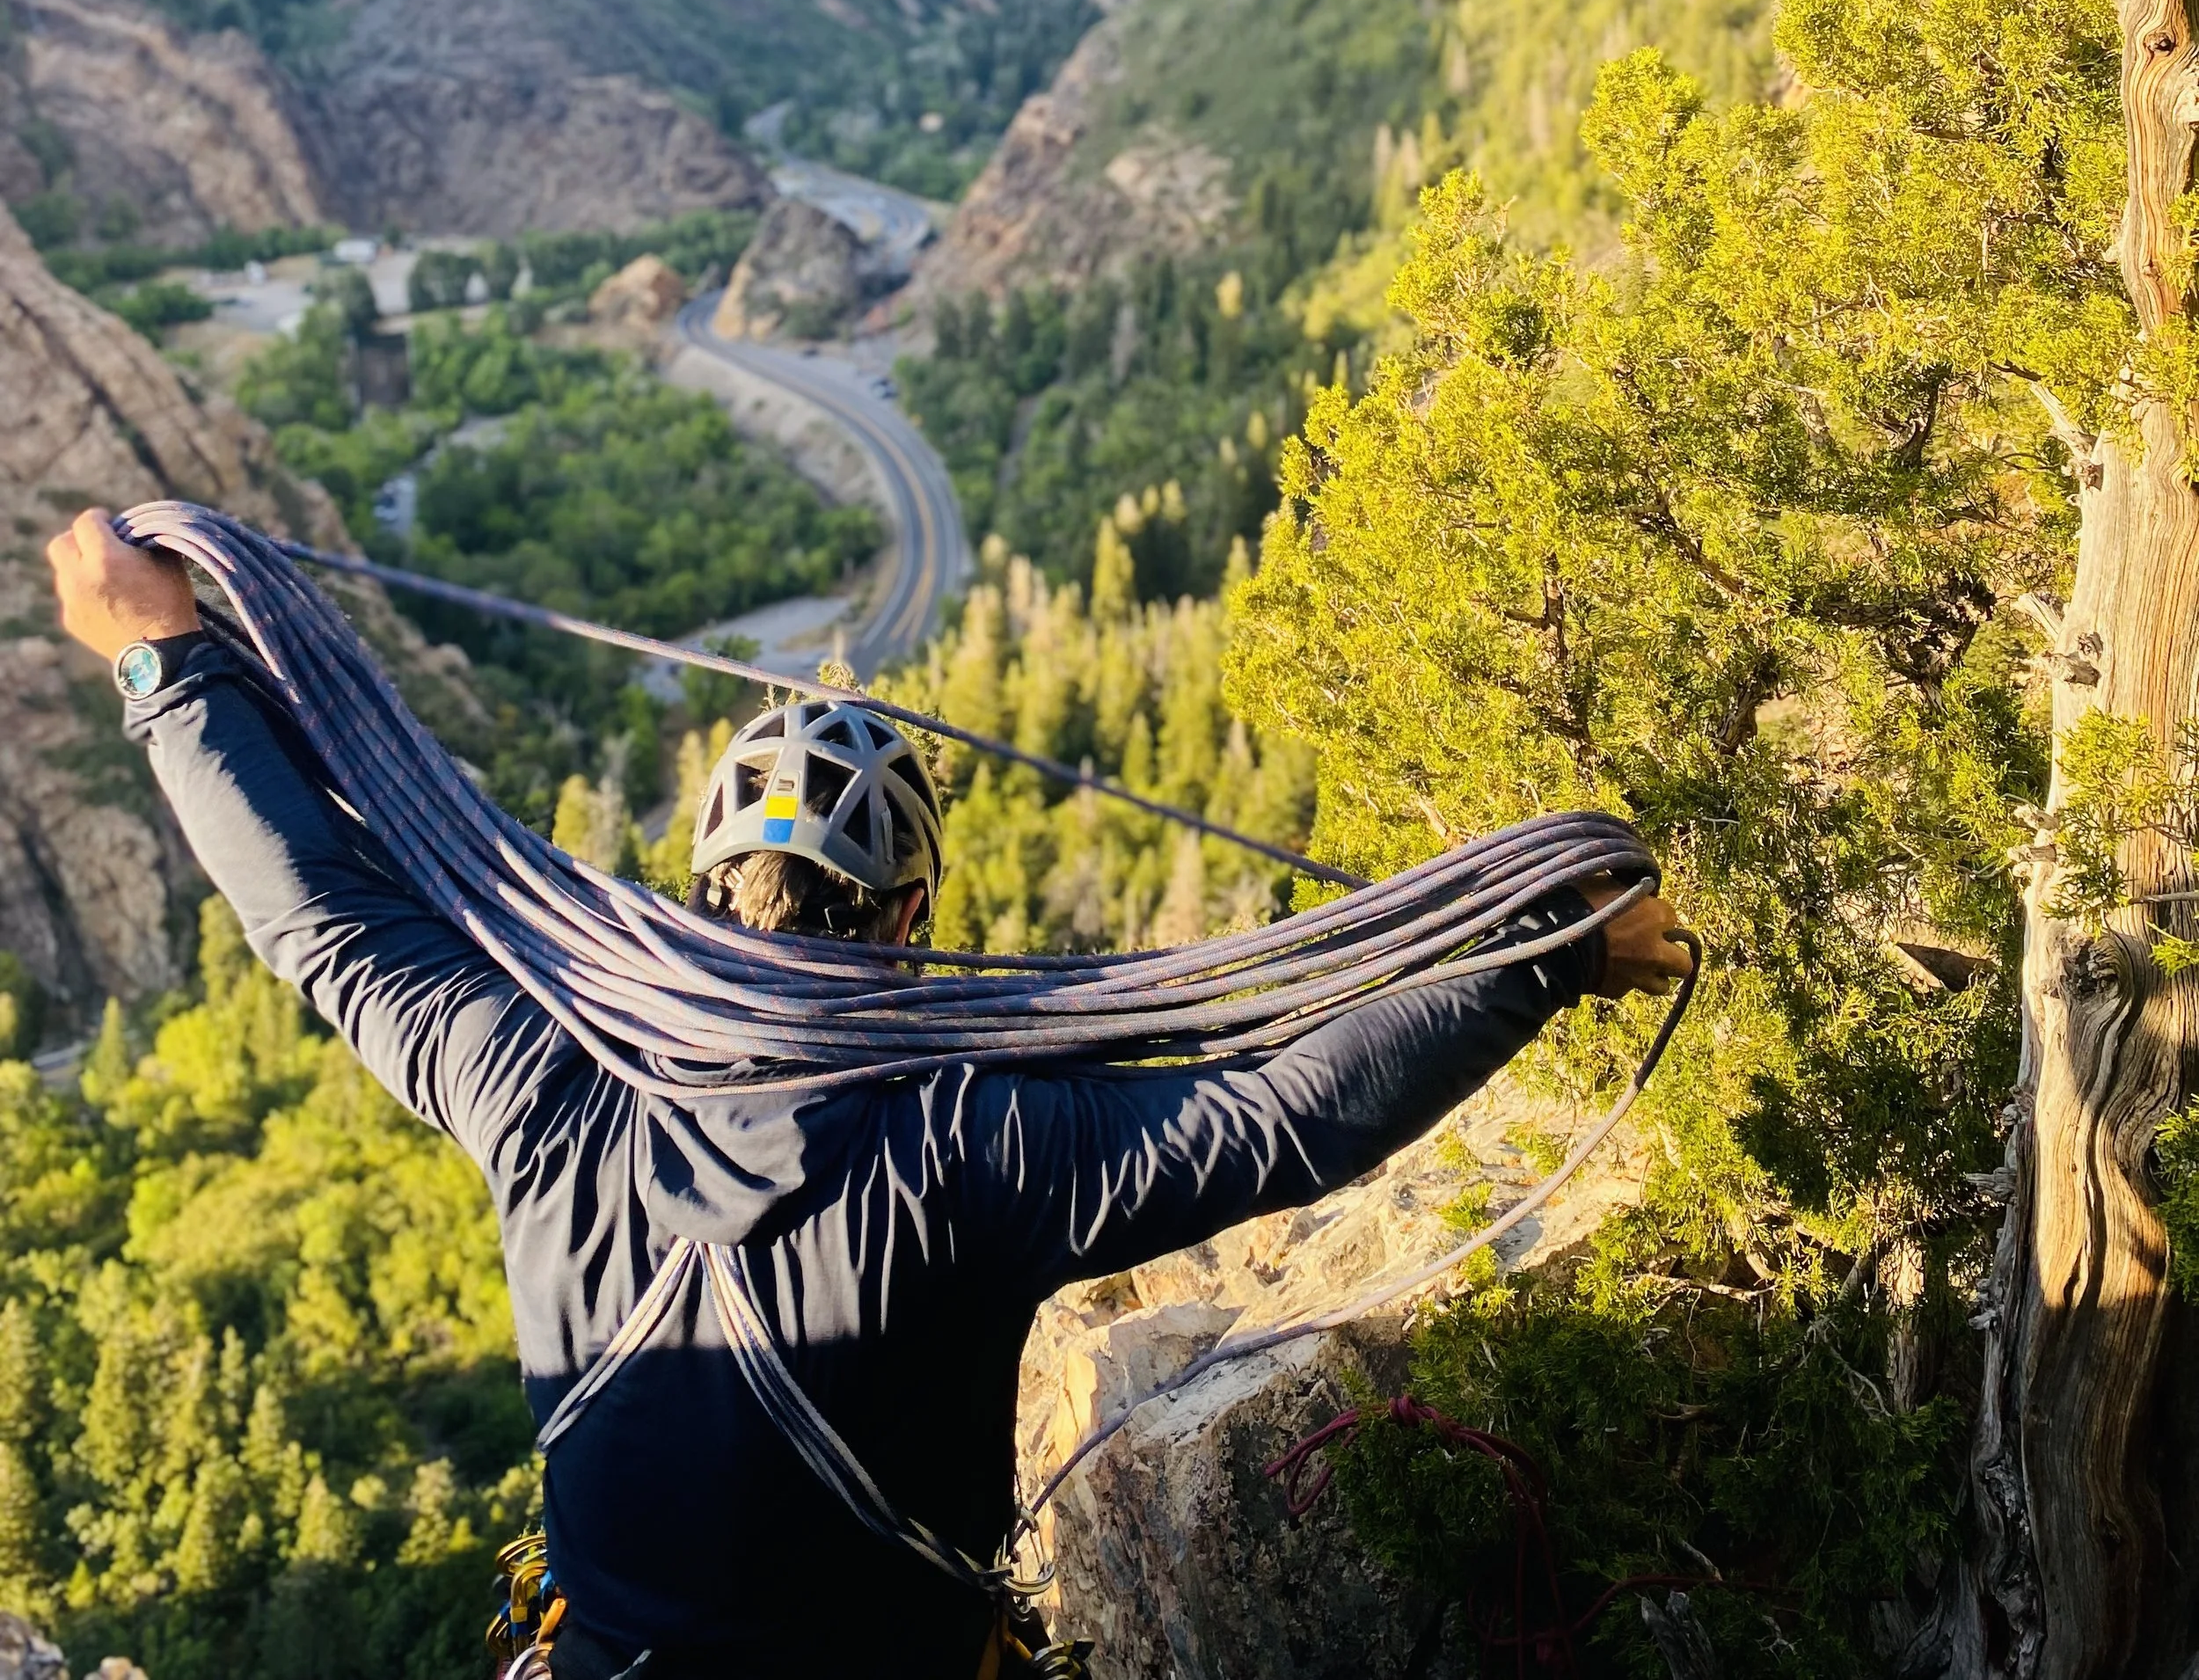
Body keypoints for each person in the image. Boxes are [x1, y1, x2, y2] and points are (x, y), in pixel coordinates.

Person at [45, 508, 1691, 1680]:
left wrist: (166, 667)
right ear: (912, 921)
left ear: (699, 894)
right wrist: (1541, 955)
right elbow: (1274, 1116)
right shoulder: (963, 1145)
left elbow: (321, 920)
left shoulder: (543, 1085)